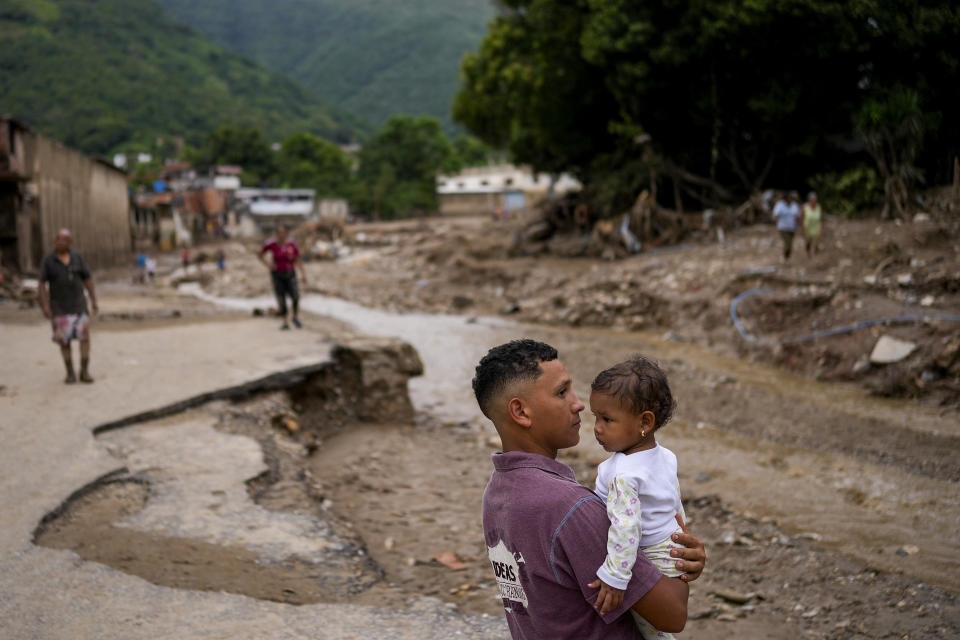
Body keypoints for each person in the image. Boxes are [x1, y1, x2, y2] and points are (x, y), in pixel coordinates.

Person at [473, 340, 705, 639]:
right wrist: (675, 566)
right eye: (561, 392)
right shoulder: (571, 508)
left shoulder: (497, 494)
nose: (578, 403)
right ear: (520, 412)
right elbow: (673, 614)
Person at [590, 357, 686, 640]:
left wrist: (615, 577)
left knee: (649, 630)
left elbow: (626, 526)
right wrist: (682, 534)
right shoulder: (665, 456)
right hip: (670, 550)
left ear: (645, 422)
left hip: (648, 556)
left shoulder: (622, 474)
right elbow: (673, 501)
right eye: (595, 417)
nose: (597, 427)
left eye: (607, 419)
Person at [38, 229, 99, 384]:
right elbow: (42, 284)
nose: (60, 242)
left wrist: (93, 299)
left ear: (70, 243)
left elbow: (87, 279)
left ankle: (84, 371)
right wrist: (45, 305)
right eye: (58, 239)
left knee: (84, 339)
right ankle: (70, 372)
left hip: (79, 305)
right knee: (64, 341)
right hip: (59, 307)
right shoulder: (49, 260)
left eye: (64, 239)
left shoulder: (77, 257)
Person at [259, 225, 307, 330]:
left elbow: (298, 259)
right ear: (276, 234)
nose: (281, 235)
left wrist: (303, 274)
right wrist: (269, 265)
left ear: (286, 234)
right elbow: (260, 254)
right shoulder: (272, 244)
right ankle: (285, 321)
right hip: (277, 274)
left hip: (290, 273)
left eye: (283, 233)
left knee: (295, 296)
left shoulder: (292, 244)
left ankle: (295, 317)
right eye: (279, 233)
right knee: (281, 298)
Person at [772, 191, 801, 261]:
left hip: (792, 228)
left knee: (790, 244)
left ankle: (787, 257)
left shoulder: (794, 205)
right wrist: (775, 218)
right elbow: (775, 215)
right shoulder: (780, 205)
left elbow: (797, 216)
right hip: (783, 228)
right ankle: (785, 257)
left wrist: (799, 224)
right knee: (787, 243)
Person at [802, 192, 824, 256]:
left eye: (815, 199)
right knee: (808, 241)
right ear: (810, 200)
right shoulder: (805, 207)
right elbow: (802, 217)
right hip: (808, 227)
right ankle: (808, 251)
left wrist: (822, 227)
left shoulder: (818, 207)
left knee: (817, 241)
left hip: (816, 227)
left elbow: (821, 218)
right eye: (814, 199)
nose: (815, 200)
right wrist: (802, 228)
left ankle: (816, 253)